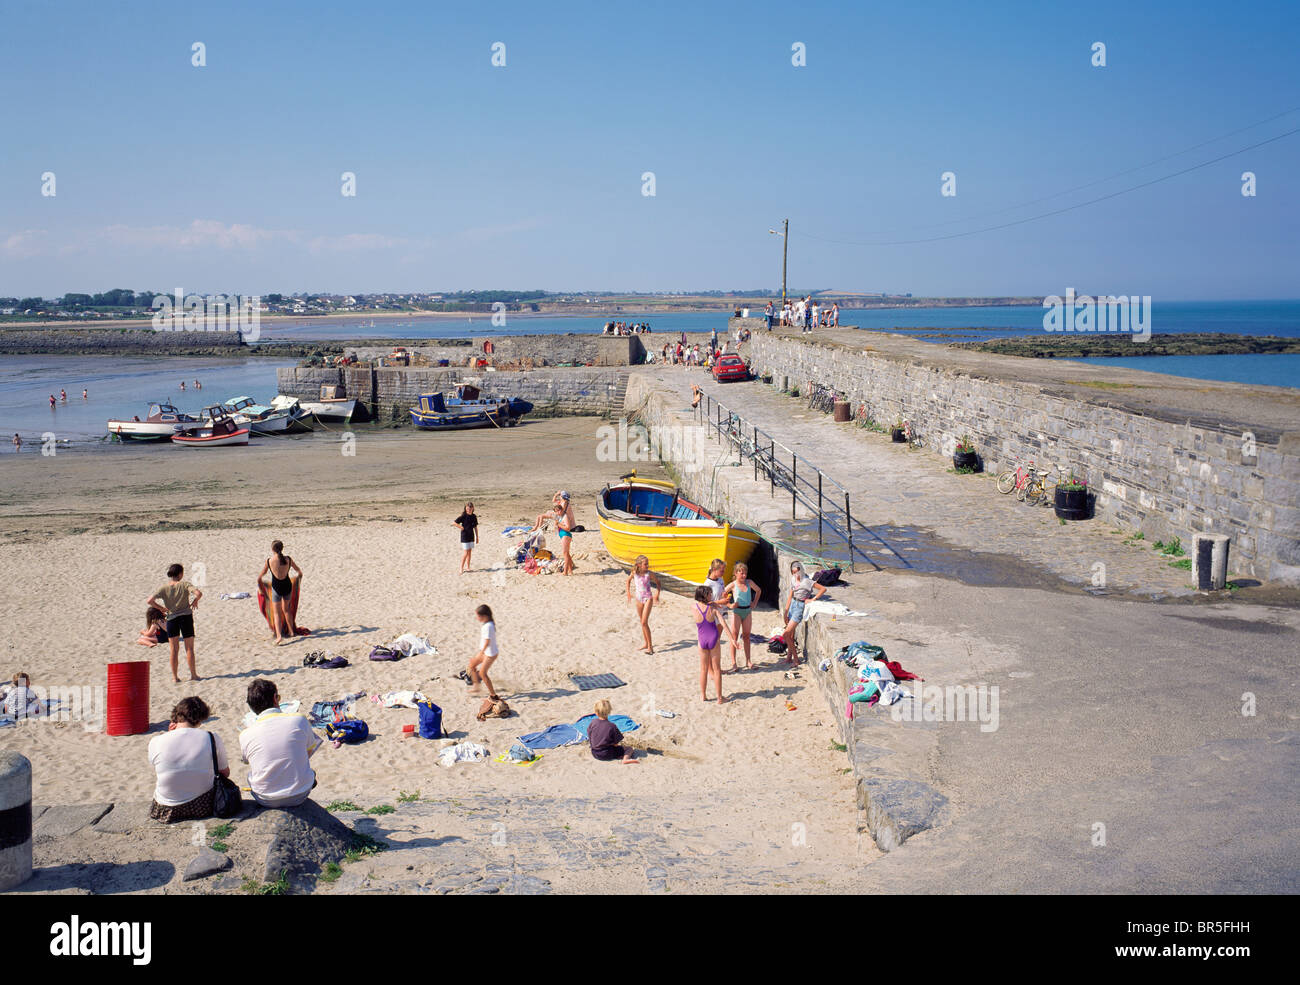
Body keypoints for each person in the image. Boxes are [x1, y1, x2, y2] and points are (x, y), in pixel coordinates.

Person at [240, 679, 321, 808]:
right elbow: (309, 749)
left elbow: (247, 761)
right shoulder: (298, 719)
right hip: (300, 793)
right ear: (275, 699)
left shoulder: (245, 734)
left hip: (265, 798)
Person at [148, 697, 228, 823]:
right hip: (202, 806)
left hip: (165, 808)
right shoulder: (211, 737)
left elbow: (160, 766)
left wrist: (169, 734)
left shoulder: (156, 741)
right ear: (201, 720)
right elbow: (225, 773)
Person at [146, 563, 202, 682]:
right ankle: (193, 675)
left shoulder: (164, 588)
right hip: (186, 617)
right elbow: (198, 593)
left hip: (171, 619)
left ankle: (175, 677)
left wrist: (160, 607)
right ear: (180, 574)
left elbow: (149, 601)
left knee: (174, 649)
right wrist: (195, 601)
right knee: (189, 648)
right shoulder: (185, 584)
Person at [781, 560, 827, 665]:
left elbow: (823, 589)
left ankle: (796, 660)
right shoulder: (793, 579)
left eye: (797, 571)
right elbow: (790, 595)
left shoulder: (806, 581)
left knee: (786, 634)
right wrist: (786, 611)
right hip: (793, 605)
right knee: (790, 635)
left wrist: (812, 599)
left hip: (799, 607)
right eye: (793, 572)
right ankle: (789, 657)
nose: (795, 574)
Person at [257, 541, 303, 645]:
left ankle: (279, 636)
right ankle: (291, 632)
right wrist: (297, 580)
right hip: (287, 587)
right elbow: (299, 572)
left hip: (276, 588)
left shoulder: (269, 561)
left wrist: (260, 586)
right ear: (282, 548)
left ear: (272, 549)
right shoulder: (288, 559)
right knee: (287, 610)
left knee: (277, 613)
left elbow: (261, 576)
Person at [724, 562, 761, 671]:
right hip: (737, 612)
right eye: (741, 573)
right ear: (736, 573)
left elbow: (758, 590)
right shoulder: (733, 584)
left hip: (747, 611)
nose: (744, 575)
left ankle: (748, 661)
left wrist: (754, 603)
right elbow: (722, 594)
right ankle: (734, 663)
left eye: (745, 573)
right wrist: (730, 605)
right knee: (734, 637)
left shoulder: (749, 582)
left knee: (746, 636)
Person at [693, 585, 726, 704]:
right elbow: (723, 624)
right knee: (717, 670)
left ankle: (703, 695)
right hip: (713, 639)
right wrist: (732, 640)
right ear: (705, 595)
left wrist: (712, 602)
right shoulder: (713, 609)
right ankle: (719, 698)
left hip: (701, 640)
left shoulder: (693, 607)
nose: (711, 595)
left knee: (703, 669)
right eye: (710, 594)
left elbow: (703, 604)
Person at [533, 491, 576, 574]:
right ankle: (570, 570)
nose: (558, 512)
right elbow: (558, 528)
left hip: (566, 535)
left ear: (561, 510)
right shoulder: (560, 516)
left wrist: (559, 524)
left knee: (565, 554)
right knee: (567, 554)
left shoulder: (565, 516)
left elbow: (567, 528)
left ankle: (565, 572)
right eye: (556, 511)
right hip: (563, 535)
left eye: (559, 511)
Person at [626, 555, 661, 653]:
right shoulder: (634, 573)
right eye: (645, 564)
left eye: (648, 563)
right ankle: (646, 643)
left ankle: (650, 647)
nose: (648, 565)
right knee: (642, 622)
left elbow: (658, 583)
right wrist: (628, 593)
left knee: (644, 622)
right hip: (638, 599)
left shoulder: (649, 574)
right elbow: (628, 581)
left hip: (648, 598)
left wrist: (657, 595)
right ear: (639, 565)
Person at [588, 699, 638, 764]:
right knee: (629, 749)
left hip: (594, 753)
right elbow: (616, 744)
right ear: (609, 712)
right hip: (606, 753)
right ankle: (625, 759)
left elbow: (590, 735)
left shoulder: (593, 722)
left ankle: (618, 756)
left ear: (596, 713)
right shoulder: (612, 726)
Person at [467, 604, 499, 698]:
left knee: (482, 673)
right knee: (472, 665)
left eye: (478, 616)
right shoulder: (488, 624)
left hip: (490, 654)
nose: (477, 618)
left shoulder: (488, 626)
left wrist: (481, 652)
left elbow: (487, 641)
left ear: (485, 616)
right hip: (486, 652)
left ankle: (493, 695)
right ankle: (476, 686)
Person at [454, 501, 479, 574]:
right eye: (467, 508)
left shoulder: (474, 516)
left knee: (469, 552)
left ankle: (468, 567)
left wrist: (477, 537)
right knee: (465, 553)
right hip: (464, 536)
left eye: (470, 508)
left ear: (473, 508)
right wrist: (460, 527)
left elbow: (475, 527)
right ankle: (461, 568)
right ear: (465, 508)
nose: (469, 509)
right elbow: (454, 523)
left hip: (471, 536)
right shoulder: (463, 516)